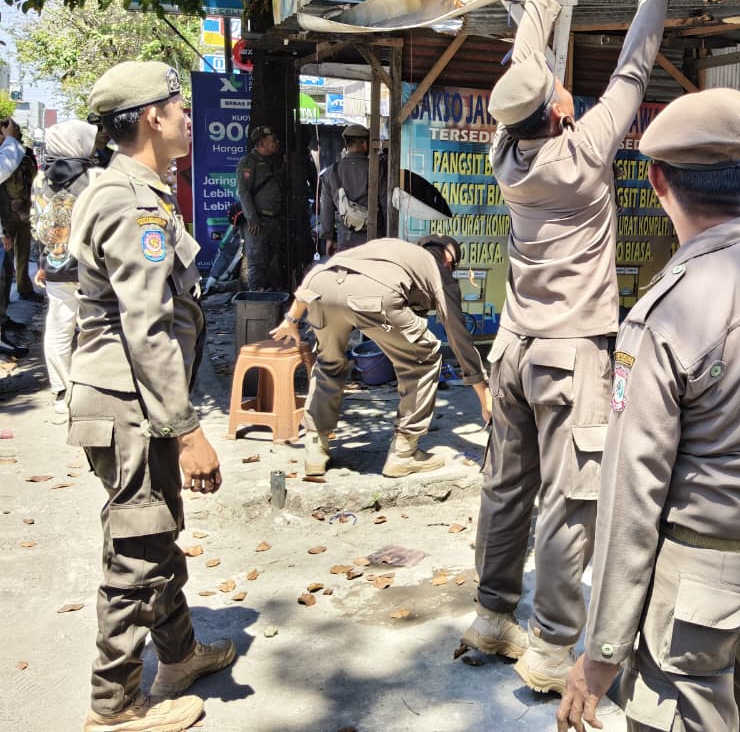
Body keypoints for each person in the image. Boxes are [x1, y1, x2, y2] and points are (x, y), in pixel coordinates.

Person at [556, 87, 740, 732]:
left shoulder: (665, 315)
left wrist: (603, 649)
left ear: (657, 180)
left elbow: (633, 494)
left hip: (701, 591)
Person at [459, 0, 681, 695]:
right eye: (559, 90)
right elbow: (631, 72)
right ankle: (552, 645)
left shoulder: (505, 151)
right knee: (569, 501)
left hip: (514, 347)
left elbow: (524, 70)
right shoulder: (584, 155)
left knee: (504, 484)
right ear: (558, 112)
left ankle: (490, 614)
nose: (564, 87)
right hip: (570, 353)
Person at [68, 61, 234, 732]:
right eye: (177, 104)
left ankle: (179, 654)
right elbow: (148, 329)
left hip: (135, 401)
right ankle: (113, 706)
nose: (187, 116)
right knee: (137, 545)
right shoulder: (130, 201)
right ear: (150, 118)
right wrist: (188, 431)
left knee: (157, 531)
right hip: (131, 404)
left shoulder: (143, 189)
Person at [269, 236, 492, 478]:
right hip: (373, 296)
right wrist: (484, 395)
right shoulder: (438, 269)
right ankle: (403, 454)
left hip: (322, 289)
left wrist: (291, 319)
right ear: (449, 259)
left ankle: (315, 449)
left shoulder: (388, 248)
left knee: (328, 363)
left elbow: (319, 272)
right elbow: (458, 335)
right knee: (424, 358)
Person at [31, 119, 102, 421]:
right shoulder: (97, 176)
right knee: (95, 328)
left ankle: (61, 393)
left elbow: (37, 225)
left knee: (58, 328)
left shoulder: (40, 179)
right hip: (93, 267)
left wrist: (43, 262)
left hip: (57, 265)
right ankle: (92, 389)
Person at [236, 125, 287, 290]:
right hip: (258, 221)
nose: (276, 143)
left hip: (273, 220)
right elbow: (243, 192)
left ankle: (268, 301)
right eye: (273, 140)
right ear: (262, 143)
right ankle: (256, 302)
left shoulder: (271, 162)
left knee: (272, 262)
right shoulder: (248, 162)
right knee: (257, 264)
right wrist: (252, 219)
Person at [318, 123, 375, 253]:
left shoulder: (331, 172)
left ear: (346, 145)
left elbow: (326, 209)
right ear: (366, 144)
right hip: (372, 238)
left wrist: (329, 239)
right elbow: (385, 204)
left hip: (345, 238)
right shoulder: (377, 170)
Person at [1, 126, 40, 301]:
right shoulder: (5, 156)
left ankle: (24, 287)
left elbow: (33, 180)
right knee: (5, 263)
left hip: (24, 212)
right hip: (6, 215)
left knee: (22, 254)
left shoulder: (25, 155)